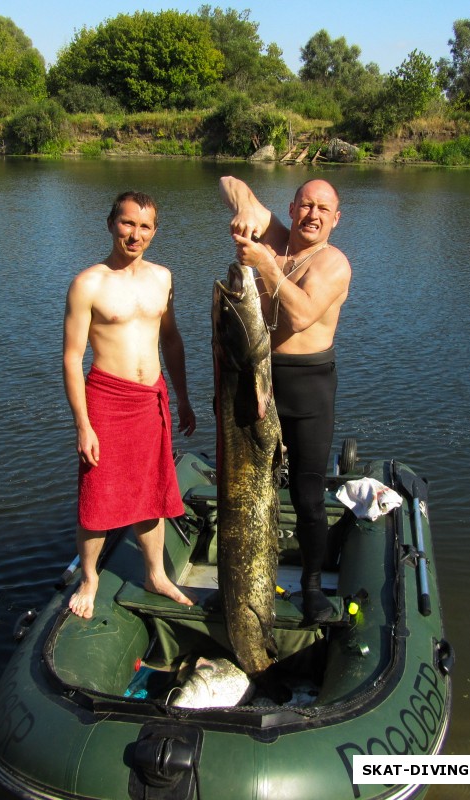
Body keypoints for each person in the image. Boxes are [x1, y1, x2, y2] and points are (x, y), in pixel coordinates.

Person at [219, 176, 351, 623]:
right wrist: (241, 207)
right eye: (306, 204)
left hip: (309, 387)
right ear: (291, 208)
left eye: (323, 209)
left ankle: (312, 588)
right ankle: (244, 580)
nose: (312, 215)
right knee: (247, 489)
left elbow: (299, 314)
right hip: (258, 378)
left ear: (336, 219)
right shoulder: (277, 236)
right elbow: (230, 182)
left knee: (308, 494)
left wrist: (265, 263)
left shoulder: (333, 264)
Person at [63, 190, 196, 619]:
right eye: (127, 223)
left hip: (150, 397)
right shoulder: (89, 283)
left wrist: (183, 398)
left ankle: (155, 573)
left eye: (144, 227)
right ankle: (89, 577)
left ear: (154, 232)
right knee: (97, 490)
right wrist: (83, 424)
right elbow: (71, 357)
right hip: (107, 397)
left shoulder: (163, 278)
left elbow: (171, 340)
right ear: (110, 223)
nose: (134, 234)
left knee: (152, 489)